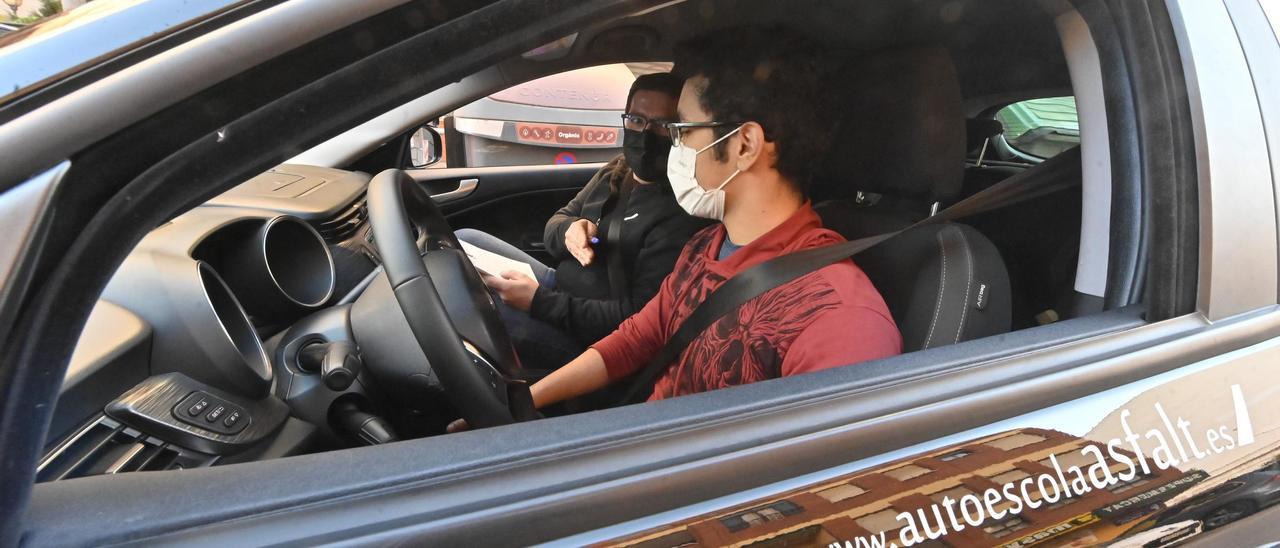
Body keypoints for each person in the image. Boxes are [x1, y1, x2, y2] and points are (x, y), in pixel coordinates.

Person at [527, 28, 903, 408]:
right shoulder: (706, 245)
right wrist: (526, 401)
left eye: (682, 130)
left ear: (744, 146)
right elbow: (638, 339)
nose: (673, 148)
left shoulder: (836, 319)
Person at [457, 72, 712, 370]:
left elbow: (637, 319)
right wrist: (570, 231)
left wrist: (537, 302)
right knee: (465, 240)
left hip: (589, 335)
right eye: (636, 120)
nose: (645, 134)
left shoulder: (680, 211)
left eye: (661, 126)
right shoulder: (618, 170)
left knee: (470, 307)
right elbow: (558, 220)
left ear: (679, 131)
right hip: (558, 287)